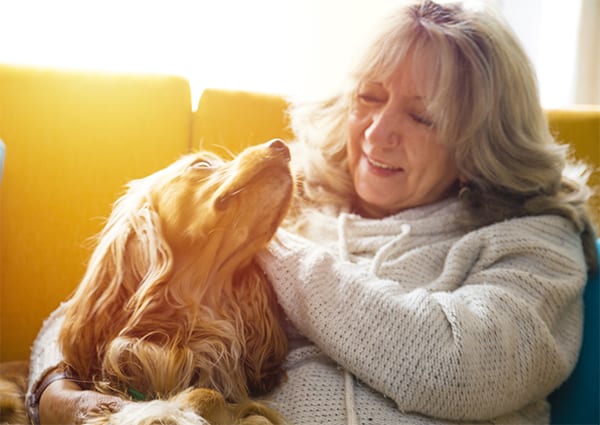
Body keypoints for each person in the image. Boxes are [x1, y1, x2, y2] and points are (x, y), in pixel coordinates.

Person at [27, 0, 597, 424]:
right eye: (370, 97)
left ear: (481, 145)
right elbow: (95, 307)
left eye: (422, 117)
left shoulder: (533, 242)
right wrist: (58, 393)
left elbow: (455, 367)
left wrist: (259, 232)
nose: (379, 132)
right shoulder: (294, 201)